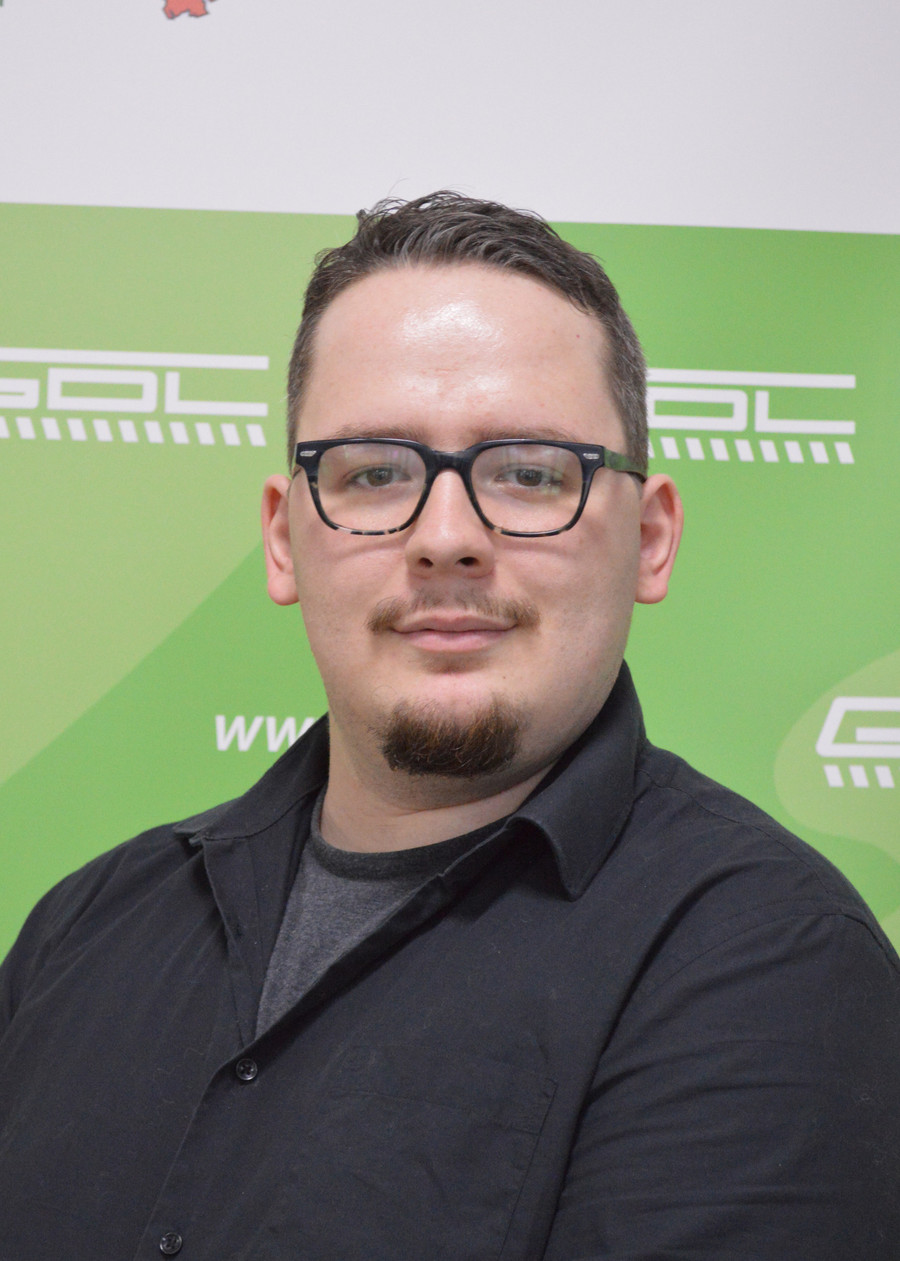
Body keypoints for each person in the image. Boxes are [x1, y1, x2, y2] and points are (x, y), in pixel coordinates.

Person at [1, 192, 898, 1260]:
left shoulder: (770, 960)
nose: (445, 537)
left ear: (651, 539)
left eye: (529, 473)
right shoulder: (83, 928)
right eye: (375, 471)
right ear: (284, 541)